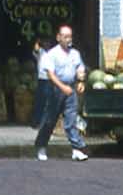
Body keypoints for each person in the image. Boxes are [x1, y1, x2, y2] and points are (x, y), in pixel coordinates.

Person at [35, 24, 88, 162]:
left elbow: (80, 68)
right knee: (49, 120)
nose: (68, 39)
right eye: (65, 36)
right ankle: (41, 147)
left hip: (70, 89)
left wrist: (81, 81)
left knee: (71, 119)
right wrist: (62, 87)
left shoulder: (75, 53)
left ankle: (76, 149)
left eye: (69, 36)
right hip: (54, 89)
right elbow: (50, 74)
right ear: (58, 37)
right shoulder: (51, 54)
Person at [30, 36, 56, 130]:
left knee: (47, 102)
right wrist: (37, 41)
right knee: (39, 102)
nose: (46, 44)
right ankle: (36, 122)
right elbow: (36, 49)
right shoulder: (40, 52)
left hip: (50, 79)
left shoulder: (54, 53)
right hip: (41, 79)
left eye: (48, 42)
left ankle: (45, 123)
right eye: (45, 42)